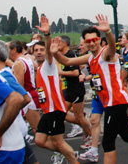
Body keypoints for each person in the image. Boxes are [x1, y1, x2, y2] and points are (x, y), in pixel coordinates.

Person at [53, 14, 128, 164]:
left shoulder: (106, 54)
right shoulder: (89, 58)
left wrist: (108, 32)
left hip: (116, 102)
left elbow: (112, 47)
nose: (91, 43)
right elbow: (66, 61)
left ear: (99, 40)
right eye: (88, 41)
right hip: (110, 103)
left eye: (94, 40)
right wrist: (55, 52)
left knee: (108, 143)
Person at [34, 17, 79, 164]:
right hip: (47, 110)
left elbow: (48, 52)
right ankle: (68, 153)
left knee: (58, 142)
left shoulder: (49, 64)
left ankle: (71, 157)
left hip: (55, 109)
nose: (39, 52)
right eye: (36, 50)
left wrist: (47, 35)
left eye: (41, 50)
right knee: (39, 140)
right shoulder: (39, 68)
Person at [0, 40, 39, 164]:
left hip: (12, 131)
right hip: (12, 131)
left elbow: (24, 98)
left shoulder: (5, 75)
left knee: (42, 137)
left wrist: (11, 112)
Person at [58, 36, 92, 145]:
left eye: (58, 43)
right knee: (61, 113)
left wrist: (61, 73)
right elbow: (80, 67)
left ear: (64, 43)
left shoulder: (70, 55)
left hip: (76, 89)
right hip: (70, 89)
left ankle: (91, 137)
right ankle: (84, 126)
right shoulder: (64, 56)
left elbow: (75, 73)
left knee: (79, 116)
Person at [9, 40, 41, 135]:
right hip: (30, 94)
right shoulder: (27, 58)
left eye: (8, 49)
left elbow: (19, 87)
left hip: (27, 97)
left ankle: (59, 147)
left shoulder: (19, 63)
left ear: (14, 50)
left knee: (39, 131)